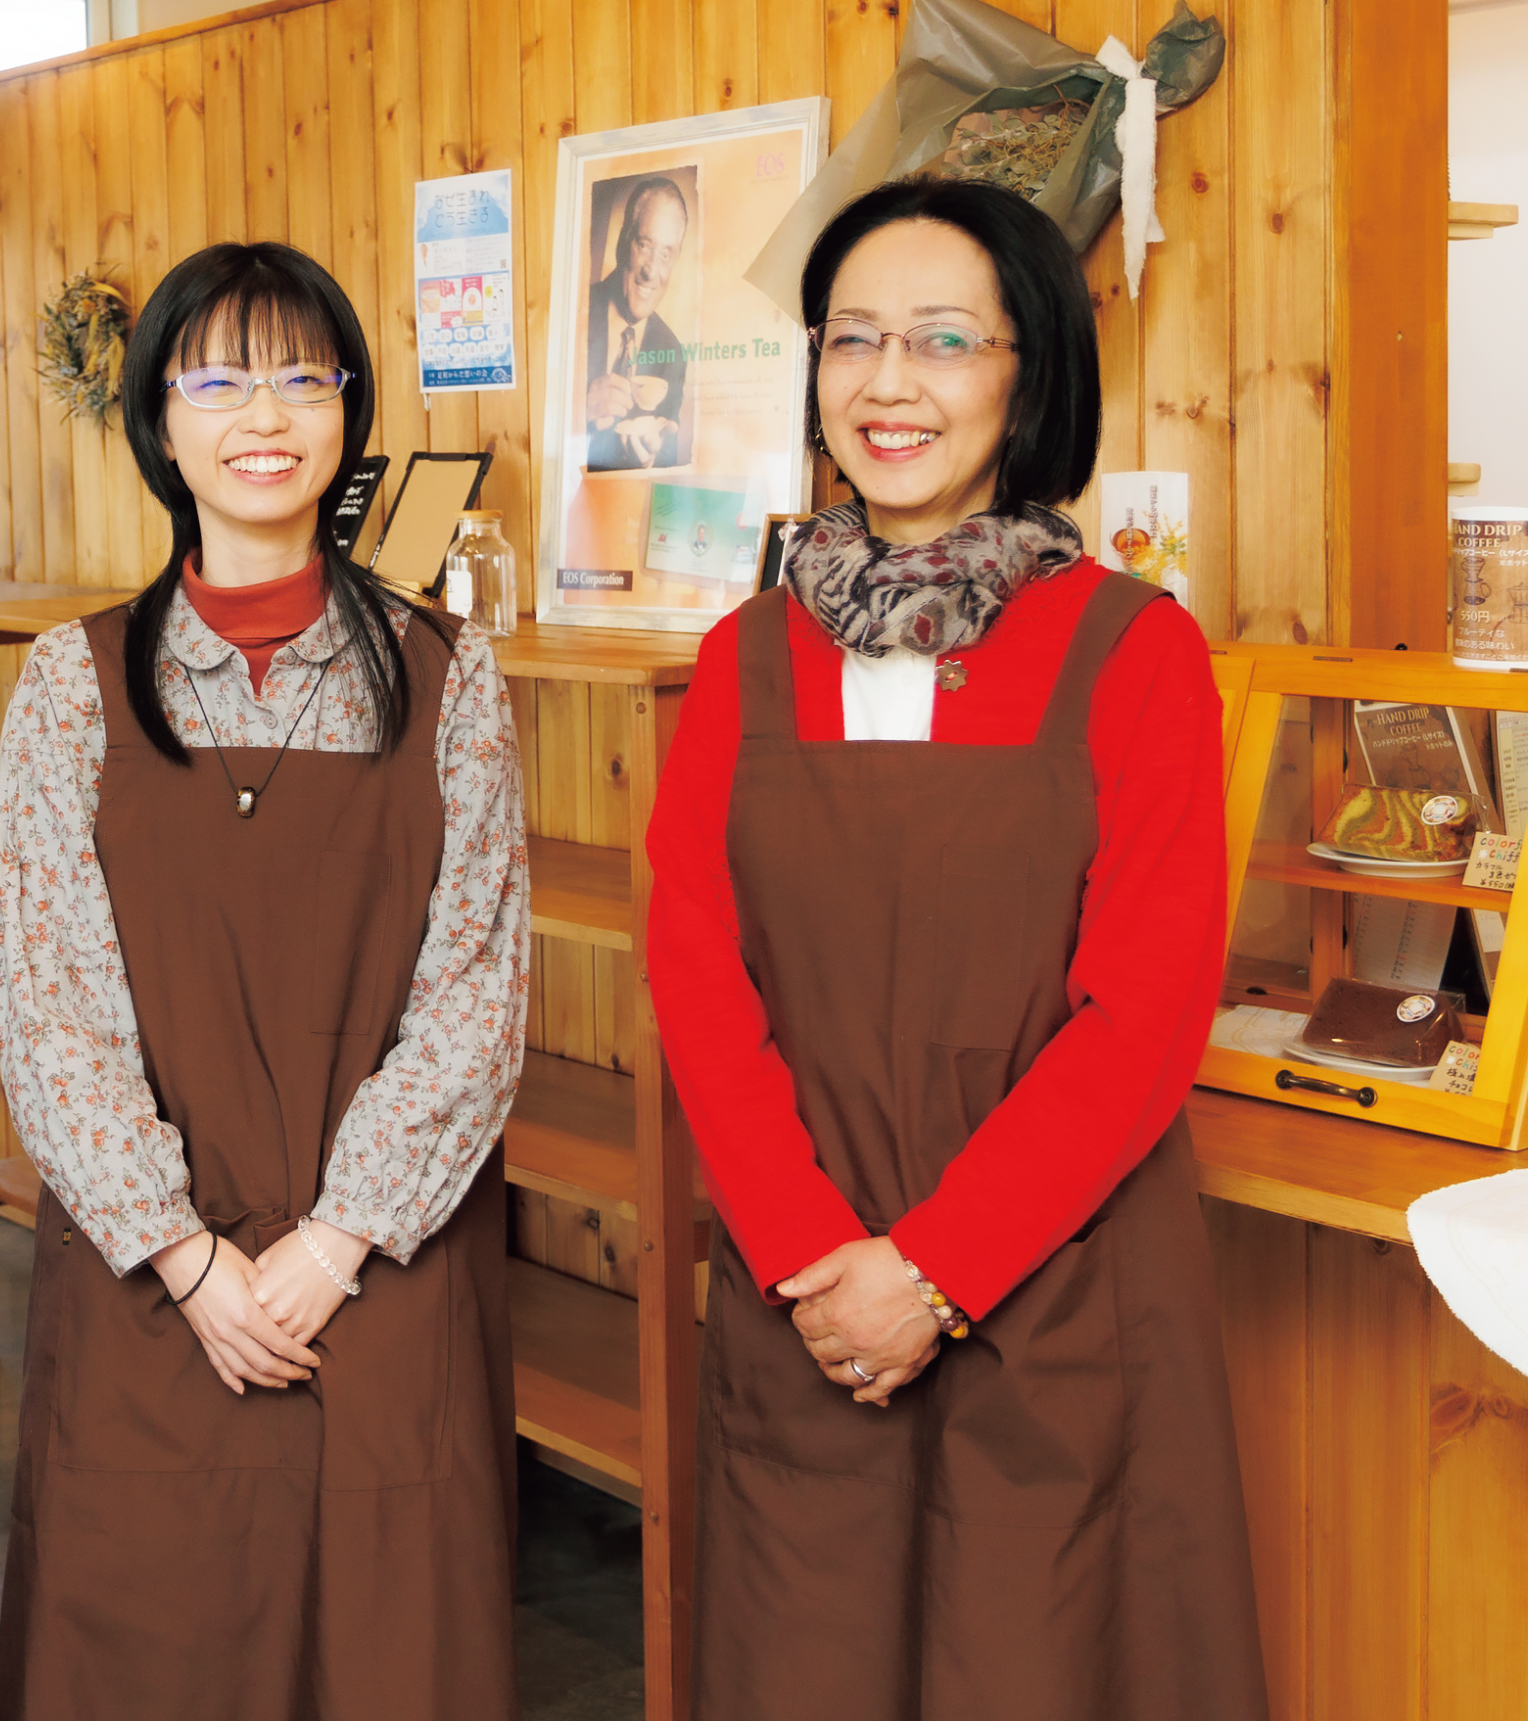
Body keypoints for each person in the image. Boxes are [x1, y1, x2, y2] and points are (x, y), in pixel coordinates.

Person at [645, 179, 1267, 1720]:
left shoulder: (1132, 650)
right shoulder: (743, 658)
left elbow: (1140, 1016)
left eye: (939, 339)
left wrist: (930, 1271)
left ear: (1026, 371)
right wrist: (814, 1258)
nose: (886, 382)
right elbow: (694, 971)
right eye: (849, 338)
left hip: (1055, 1291)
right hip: (812, 1297)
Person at [0, 240, 530, 1721]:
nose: (263, 413)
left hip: (383, 1265)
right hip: (155, 1278)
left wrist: (337, 1238)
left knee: (388, 1648)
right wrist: (187, 1256)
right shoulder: (70, 680)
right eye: (216, 378)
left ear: (348, 411)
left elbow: (477, 989)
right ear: (160, 420)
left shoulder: (444, 674)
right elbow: (50, 1011)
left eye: (302, 375)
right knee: (156, 1643)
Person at [583, 175, 693, 471]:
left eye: (666, 254)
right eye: (644, 245)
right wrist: (579, 413)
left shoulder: (673, 352)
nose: (651, 271)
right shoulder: (576, 315)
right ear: (623, 241)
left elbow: (667, 469)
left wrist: (655, 459)